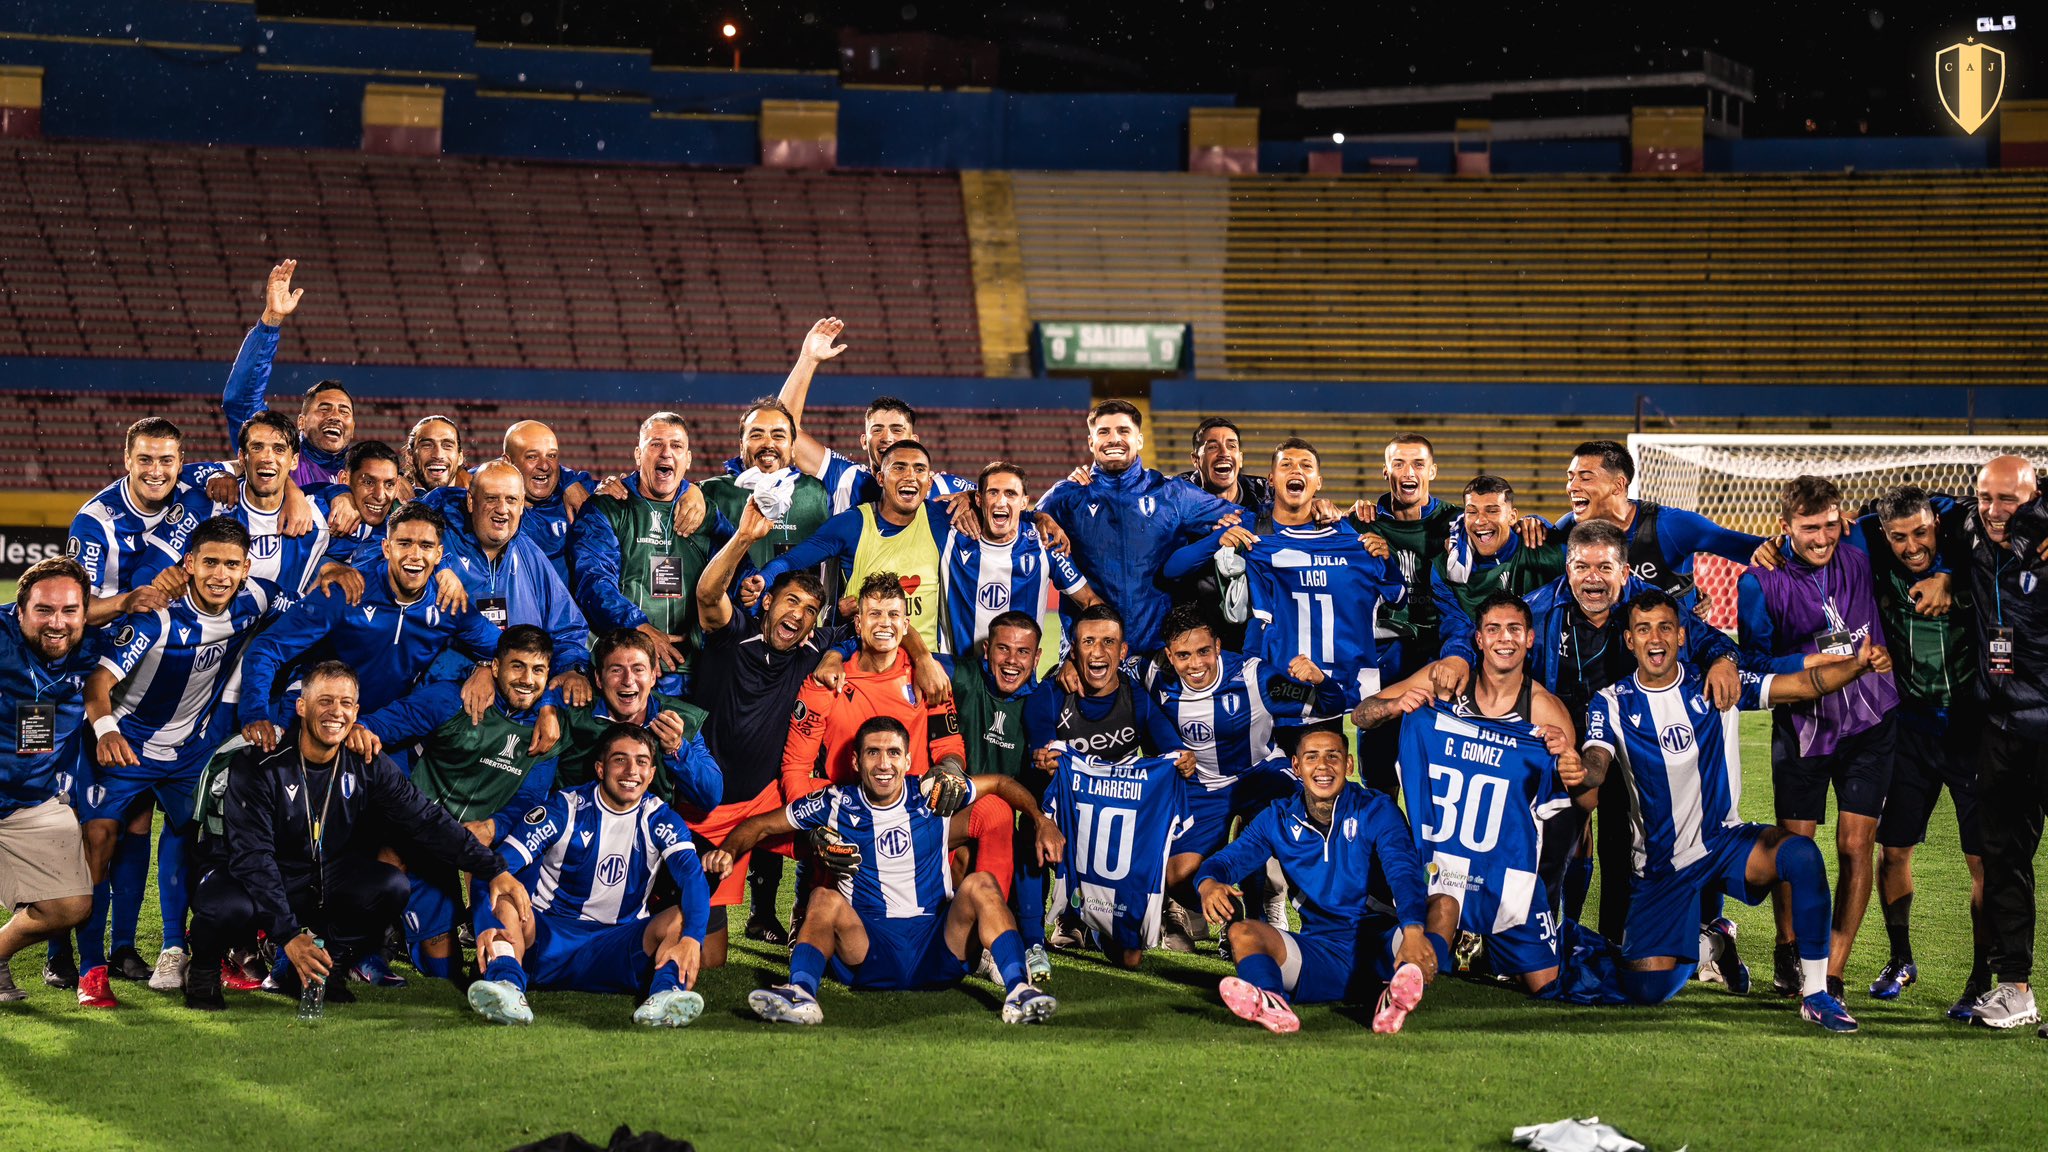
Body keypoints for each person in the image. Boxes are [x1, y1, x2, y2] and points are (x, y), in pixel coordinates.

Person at [1571, 590, 1889, 1032]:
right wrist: (1577, 771)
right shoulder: (1612, 701)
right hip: (1663, 865)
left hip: (1725, 841)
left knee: (1800, 855)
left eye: (1665, 627)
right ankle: (1711, 943)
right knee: (1646, 990)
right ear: (1629, 641)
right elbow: (1596, 761)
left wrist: (1857, 665)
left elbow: (1799, 686)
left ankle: (1816, 994)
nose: (1655, 638)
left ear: (1682, 635)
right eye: (1643, 630)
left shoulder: (1716, 681)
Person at [1435, 519, 1741, 939]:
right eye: (1581, 567)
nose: (1591, 578)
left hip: (1633, 745)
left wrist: (1724, 659)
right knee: (1549, 840)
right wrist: (1454, 657)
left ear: (1625, 571)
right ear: (1568, 568)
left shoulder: (1650, 608)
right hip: (1555, 741)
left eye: (1604, 568)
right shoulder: (1539, 609)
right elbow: (1483, 640)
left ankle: (1623, 942)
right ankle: (1539, 937)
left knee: (1626, 843)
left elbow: (1707, 639)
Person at [182, 661, 532, 1011]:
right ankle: (203, 969)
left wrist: (494, 869)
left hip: (314, 877)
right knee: (228, 906)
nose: (336, 712)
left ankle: (325, 968)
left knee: (389, 885)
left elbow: (427, 820)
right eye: (325, 701)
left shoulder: (366, 762)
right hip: (246, 877)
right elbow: (253, 859)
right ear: (302, 706)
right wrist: (289, 936)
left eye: (346, 703)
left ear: (356, 712)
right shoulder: (261, 763)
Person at [707, 717, 1064, 1026]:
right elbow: (760, 827)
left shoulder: (931, 793)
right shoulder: (834, 803)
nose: (884, 764)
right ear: (856, 760)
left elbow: (1000, 784)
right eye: (872, 752)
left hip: (937, 946)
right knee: (822, 898)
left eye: (893, 753)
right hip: (868, 949)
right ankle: (801, 994)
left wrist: (1040, 819)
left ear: (908, 760)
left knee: (980, 884)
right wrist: (728, 850)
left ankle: (1019, 990)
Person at [77, 517, 277, 1003]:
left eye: (232, 564)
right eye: (209, 562)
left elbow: (312, 605)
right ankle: (89, 969)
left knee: (196, 835)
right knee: (99, 842)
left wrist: (337, 572)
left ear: (247, 568)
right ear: (188, 564)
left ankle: (175, 946)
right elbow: (97, 684)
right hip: (125, 745)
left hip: (188, 752)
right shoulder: (156, 617)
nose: (220, 575)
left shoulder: (257, 599)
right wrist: (105, 732)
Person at [1357, 592, 1579, 996]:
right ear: (1478, 639)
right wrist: (1394, 707)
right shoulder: (1446, 683)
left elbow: (1583, 803)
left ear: (1530, 639)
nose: (1504, 639)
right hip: (1442, 859)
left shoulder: (1544, 711)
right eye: (1493, 630)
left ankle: (1489, 940)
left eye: (1514, 630)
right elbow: (1362, 714)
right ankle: (1411, 967)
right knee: (1440, 899)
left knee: (1546, 985)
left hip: (1507, 872)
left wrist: (1569, 760)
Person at [1736, 475, 1898, 1000]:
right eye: (1809, 529)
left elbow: (1920, 519)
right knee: (1797, 849)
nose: (1823, 538)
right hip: (1805, 727)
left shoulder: (1858, 541)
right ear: (1784, 527)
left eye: (1831, 525)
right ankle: (1788, 947)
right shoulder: (1757, 582)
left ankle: (1830, 968)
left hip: (1872, 720)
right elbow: (1753, 664)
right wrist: (1809, 661)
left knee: (1856, 846)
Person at [347, 624, 559, 982]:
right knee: (390, 851)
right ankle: (369, 942)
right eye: (517, 666)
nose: (527, 679)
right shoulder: (452, 699)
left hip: (465, 845)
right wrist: (359, 731)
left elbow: (530, 797)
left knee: (442, 970)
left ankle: (449, 921)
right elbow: (379, 724)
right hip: (417, 829)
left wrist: (494, 826)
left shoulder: (548, 731)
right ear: (494, 667)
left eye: (538, 670)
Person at [464, 723, 710, 1029]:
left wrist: (692, 939)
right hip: (548, 940)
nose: (631, 770)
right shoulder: (563, 808)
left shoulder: (660, 818)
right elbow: (494, 867)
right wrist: (486, 924)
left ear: (651, 771)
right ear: (600, 767)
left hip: (621, 945)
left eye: (642, 761)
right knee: (507, 895)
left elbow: (693, 878)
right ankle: (506, 985)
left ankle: (665, 995)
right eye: (620, 759)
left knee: (680, 918)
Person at [782, 574, 1013, 896]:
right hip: (852, 816)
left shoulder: (927, 677)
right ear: (858, 624)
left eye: (893, 615)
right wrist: (813, 825)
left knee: (996, 811)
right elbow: (795, 766)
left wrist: (949, 768)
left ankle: (989, 925)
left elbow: (948, 743)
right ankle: (811, 904)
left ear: (906, 625)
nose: (884, 623)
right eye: (875, 614)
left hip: (915, 812)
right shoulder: (826, 681)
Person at [1195, 728, 1437, 1035]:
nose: (1322, 766)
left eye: (1332, 756)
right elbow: (1226, 861)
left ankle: (1398, 991)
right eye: (1312, 757)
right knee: (1242, 932)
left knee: (1443, 906)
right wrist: (1208, 883)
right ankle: (1272, 1003)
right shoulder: (1278, 818)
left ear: (1349, 765)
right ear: (1297, 767)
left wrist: (1413, 932)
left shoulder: (1377, 809)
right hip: (1320, 954)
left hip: (1383, 948)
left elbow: (1403, 873)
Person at [1143, 605, 1342, 944]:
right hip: (1202, 789)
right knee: (1177, 876)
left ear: (1218, 646)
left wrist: (1321, 681)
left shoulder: (1254, 677)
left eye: (1204, 651)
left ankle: (1282, 912)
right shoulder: (1151, 673)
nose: (1195, 664)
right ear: (1169, 655)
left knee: (1287, 833)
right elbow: (1116, 675)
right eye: (1184, 655)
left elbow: (1332, 704)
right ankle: (1231, 918)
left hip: (1260, 776)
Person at [1167, 439, 1406, 713]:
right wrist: (1219, 540)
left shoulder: (1343, 533)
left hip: (1333, 678)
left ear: (1318, 482)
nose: (1297, 471)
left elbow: (1396, 598)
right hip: (1269, 673)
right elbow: (1173, 570)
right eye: (1286, 465)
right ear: (1271, 480)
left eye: (1306, 466)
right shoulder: (1250, 527)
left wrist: (1386, 560)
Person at [236, 502, 503, 747]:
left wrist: (483, 668)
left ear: (438, 554)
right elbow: (268, 647)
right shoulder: (347, 591)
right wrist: (255, 712)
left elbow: (505, 649)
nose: (414, 555)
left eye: (425, 546)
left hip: (379, 729)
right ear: (387, 548)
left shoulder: (449, 604)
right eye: (405, 543)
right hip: (316, 719)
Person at [689, 496, 831, 956]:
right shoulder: (734, 638)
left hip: (766, 800)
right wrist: (744, 538)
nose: (800, 614)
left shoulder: (810, 649)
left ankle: (810, 928)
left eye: (810, 609)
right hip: (706, 811)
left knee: (838, 820)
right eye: (792, 601)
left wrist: (834, 651)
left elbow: (863, 615)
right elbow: (709, 596)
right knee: (708, 957)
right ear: (768, 602)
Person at [1956, 455, 2048, 1031]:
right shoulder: (1966, 525)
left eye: (2008, 499)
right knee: (2004, 859)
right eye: (1986, 496)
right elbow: (1887, 516)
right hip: (2002, 727)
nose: (1994, 510)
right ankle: (2015, 989)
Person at [1035, 401, 1242, 654]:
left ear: (1140, 440)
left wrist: (1302, 507)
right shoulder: (1066, 496)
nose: (1114, 439)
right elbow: (1016, 524)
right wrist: (1036, 518)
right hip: (1090, 658)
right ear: (1091, 443)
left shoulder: (1173, 494)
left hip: (1156, 659)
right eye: (1104, 432)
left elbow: (1249, 518)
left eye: (1123, 431)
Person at [567, 411, 728, 694]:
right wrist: (637, 627)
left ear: (688, 460)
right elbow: (592, 581)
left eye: (676, 446)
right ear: (638, 454)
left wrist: (754, 583)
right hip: (623, 672)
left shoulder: (705, 512)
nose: (666, 453)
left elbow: (734, 563)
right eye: (656, 444)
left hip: (694, 673)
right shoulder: (607, 507)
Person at [0, 559, 97, 1003]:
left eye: (69, 610)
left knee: (71, 905)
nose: (57, 622)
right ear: (18, 612)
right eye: (43, 610)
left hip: (27, 803)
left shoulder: (96, 645)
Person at [753, 439, 953, 654]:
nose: (910, 476)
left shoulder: (943, 516)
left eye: (919, 469)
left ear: (929, 483)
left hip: (924, 668)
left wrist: (968, 499)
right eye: (899, 467)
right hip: (863, 665)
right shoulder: (851, 525)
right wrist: (763, 578)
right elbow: (791, 560)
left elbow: (990, 498)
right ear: (880, 478)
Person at [416, 460, 592, 694]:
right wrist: (480, 667)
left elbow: (567, 626)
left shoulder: (530, 554)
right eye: (491, 498)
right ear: (471, 501)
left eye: (511, 500)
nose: (502, 509)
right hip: (446, 698)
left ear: (521, 506)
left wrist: (571, 668)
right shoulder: (439, 548)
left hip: (519, 702)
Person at [770, 319, 976, 511]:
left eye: (897, 429)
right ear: (863, 440)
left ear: (915, 441)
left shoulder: (942, 487)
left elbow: (999, 495)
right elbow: (784, 431)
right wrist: (808, 360)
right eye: (877, 429)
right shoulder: (846, 477)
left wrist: (972, 497)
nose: (887, 437)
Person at [135, 411, 334, 608]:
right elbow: (144, 575)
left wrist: (344, 496)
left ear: (294, 461)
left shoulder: (318, 516)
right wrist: (161, 580)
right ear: (241, 456)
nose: (267, 457)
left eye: (279, 449)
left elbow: (363, 532)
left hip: (278, 635)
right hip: (209, 636)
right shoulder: (204, 505)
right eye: (257, 447)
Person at [1532, 439, 1762, 603]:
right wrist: (1532, 521)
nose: (1572, 487)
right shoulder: (1570, 528)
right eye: (1570, 478)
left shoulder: (1671, 526)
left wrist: (1782, 547)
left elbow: (1744, 547)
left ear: (1618, 485)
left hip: (1678, 655)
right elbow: (1528, 553)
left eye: (1585, 477)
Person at [949, 610, 1051, 979]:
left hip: (1007, 837)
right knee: (961, 852)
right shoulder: (963, 675)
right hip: (955, 820)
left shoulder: (1044, 701)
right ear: (987, 649)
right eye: (1003, 649)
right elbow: (904, 653)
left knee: (1025, 828)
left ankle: (1027, 935)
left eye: (1023, 652)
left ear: (1037, 657)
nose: (1012, 661)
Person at [537, 629, 721, 816]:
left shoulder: (678, 719)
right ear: (599, 679)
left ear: (652, 676)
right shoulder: (575, 709)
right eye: (616, 670)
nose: (628, 680)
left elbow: (710, 797)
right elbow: (535, 788)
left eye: (638, 669)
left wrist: (677, 749)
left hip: (645, 834)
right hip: (577, 828)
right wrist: (547, 705)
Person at [1039, 747, 1190, 969]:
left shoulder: (1163, 767)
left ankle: (1099, 923)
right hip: (1084, 877)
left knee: (1131, 960)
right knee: (1044, 836)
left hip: (1125, 881)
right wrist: (1045, 755)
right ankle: (1069, 919)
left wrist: (1182, 759)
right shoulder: (1067, 758)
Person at [69, 416, 222, 626]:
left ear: (180, 463)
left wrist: (224, 476)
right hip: (109, 635)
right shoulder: (95, 522)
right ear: (127, 459)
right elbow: (78, 609)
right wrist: (126, 601)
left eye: (166, 460)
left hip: (166, 626)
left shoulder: (189, 480)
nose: (156, 471)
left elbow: (241, 466)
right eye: (145, 460)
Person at [937, 461, 1096, 658]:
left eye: (1010, 494)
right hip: (959, 679)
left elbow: (1090, 601)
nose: (1001, 502)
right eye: (993, 492)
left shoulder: (1044, 543)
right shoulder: (950, 532)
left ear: (1024, 502)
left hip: (1019, 682)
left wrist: (1076, 659)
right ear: (979, 499)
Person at [222, 259, 355, 485]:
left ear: (353, 427)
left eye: (344, 411)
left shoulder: (365, 474)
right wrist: (271, 321)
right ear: (301, 422)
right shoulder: (278, 457)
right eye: (324, 409)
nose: (335, 416)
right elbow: (241, 402)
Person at [1352, 433, 1461, 684]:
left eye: (1418, 464)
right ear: (1385, 471)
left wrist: (1534, 524)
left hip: (1441, 648)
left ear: (1432, 471)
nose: (1408, 472)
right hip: (1383, 651)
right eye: (1398, 464)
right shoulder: (1363, 522)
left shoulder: (1458, 522)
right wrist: (1319, 507)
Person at [1429, 476, 1566, 667]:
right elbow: (1454, 625)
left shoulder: (1547, 552)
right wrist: (1457, 657)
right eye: (1472, 511)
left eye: (1492, 511)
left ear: (1512, 516)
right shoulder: (1445, 566)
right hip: (1477, 666)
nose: (1480, 520)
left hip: (1541, 667)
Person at [497, 420, 594, 585]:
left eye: (552, 456)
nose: (544, 466)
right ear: (508, 462)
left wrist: (568, 480)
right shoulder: (487, 503)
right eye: (532, 457)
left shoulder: (580, 495)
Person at [318, 441, 405, 565]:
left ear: (397, 486)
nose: (380, 496)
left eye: (389, 484)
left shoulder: (398, 533)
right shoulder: (317, 518)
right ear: (344, 480)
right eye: (368, 482)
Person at [1175, 417, 1272, 520]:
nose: (1224, 453)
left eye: (1231, 446)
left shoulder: (1263, 493)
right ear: (1196, 460)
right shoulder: (1179, 495)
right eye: (1213, 447)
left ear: (1240, 459)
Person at [403, 415, 466, 495]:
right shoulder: (391, 500)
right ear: (410, 456)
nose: (438, 455)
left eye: (447, 446)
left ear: (460, 457)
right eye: (427, 445)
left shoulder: (475, 502)